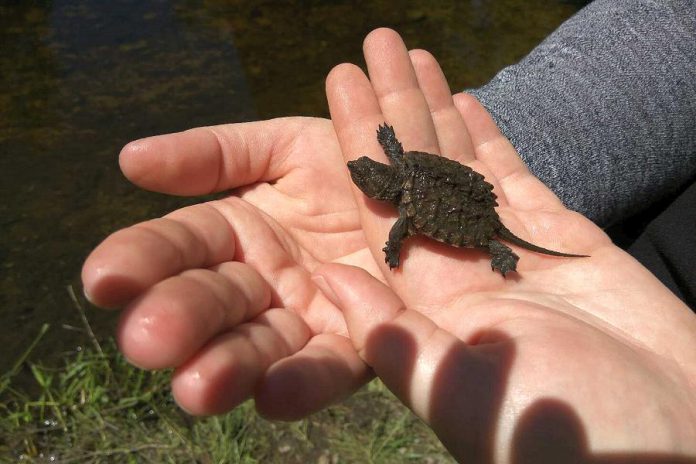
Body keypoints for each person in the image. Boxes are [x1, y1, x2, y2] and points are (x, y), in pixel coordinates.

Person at [82, 4, 696, 463]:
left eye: (365, 181)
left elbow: (402, 224)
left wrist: (402, 244)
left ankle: (505, 255)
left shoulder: (402, 201)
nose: (362, 181)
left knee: (494, 241)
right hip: (579, 226)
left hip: (484, 221)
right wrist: (517, 129)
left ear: (382, 191)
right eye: (367, 175)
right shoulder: (400, 169)